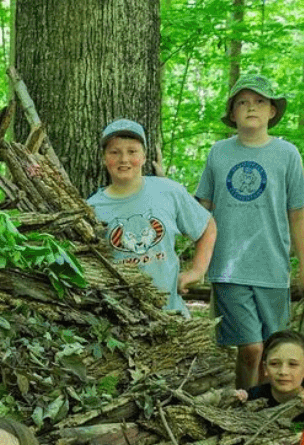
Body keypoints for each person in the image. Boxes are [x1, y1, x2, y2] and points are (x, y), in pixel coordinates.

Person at [196, 75, 304, 389]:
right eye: (243, 102)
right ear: (233, 113)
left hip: (272, 267)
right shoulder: (219, 153)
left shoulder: (287, 154)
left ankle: (269, 413)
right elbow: (202, 209)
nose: (251, 107)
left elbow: (298, 215)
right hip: (228, 267)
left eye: (260, 101)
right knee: (251, 348)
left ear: (272, 112)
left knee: (274, 352)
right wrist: (195, 264)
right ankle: (243, 407)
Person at [88, 119, 216, 318]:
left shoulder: (168, 190)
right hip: (120, 320)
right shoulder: (93, 208)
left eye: (132, 151)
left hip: (171, 314)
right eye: (115, 152)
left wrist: (197, 271)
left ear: (144, 156)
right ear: (104, 158)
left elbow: (207, 226)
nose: (124, 159)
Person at [233, 329, 304, 424]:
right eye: (274, 364)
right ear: (265, 368)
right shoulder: (254, 397)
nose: (283, 372)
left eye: (292, 364)